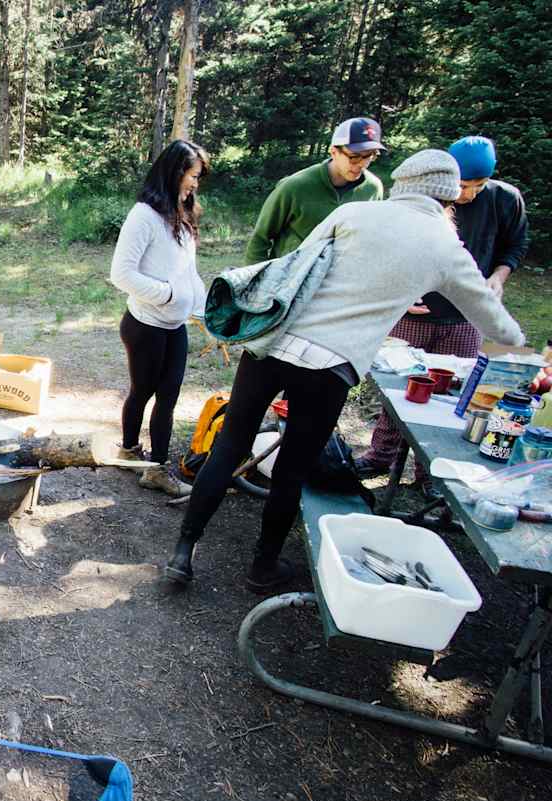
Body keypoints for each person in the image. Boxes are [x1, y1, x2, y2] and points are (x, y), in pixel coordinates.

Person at [164, 150, 524, 592]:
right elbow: (493, 321)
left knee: (229, 445)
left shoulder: (355, 212)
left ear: (402, 184)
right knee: (293, 466)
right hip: (329, 365)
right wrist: (525, 347)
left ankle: (183, 551)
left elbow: (300, 264)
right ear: (448, 196)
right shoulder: (447, 246)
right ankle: (263, 567)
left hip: (273, 344)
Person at [355, 136, 531, 488]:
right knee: (399, 389)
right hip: (414, 315)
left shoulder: (505, 199)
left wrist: (499, 275)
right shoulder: (424, 203)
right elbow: (384, 251)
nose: (469, 194)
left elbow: (515, 244)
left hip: (465, 317)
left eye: (478, 186)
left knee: (452, 398)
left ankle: (431, 472)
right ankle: (381, 456)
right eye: (463, 186)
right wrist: (399, 294)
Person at [109, 139, 210, 497]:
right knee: (143, 392)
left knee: (168, 396)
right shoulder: (143, 217)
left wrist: (202, 303)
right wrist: (167, 294)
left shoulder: (182, 216)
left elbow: (186, 271)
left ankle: (155, 468)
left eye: (197, 178)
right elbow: (121, 274)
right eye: (191, 176)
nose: (194, 184)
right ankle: (129, 449)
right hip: (145, 326)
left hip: (174, 326)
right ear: (173, 173)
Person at [244, 117, 386, 264]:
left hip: (342, 279)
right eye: (354, 157)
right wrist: (257, 282)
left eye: (369, 156)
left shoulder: (373, 189)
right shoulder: (295, 186)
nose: (361, 164)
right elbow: (260, 239)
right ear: (333, 152)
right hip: (289, 276)